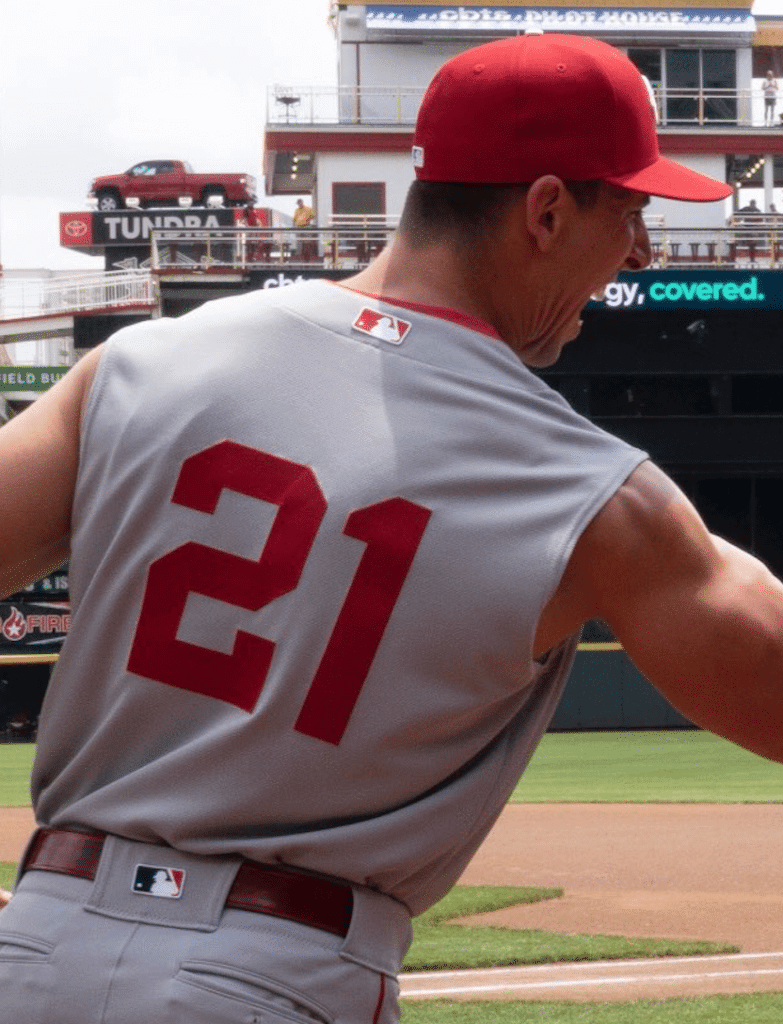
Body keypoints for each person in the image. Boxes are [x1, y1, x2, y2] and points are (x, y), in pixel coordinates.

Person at [2, 33, 780, 1024]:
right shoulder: (587, 490)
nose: (641, 250)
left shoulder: (141, 365)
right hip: (264, 977)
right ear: (546, 210)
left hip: (37, 946)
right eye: (629, 211)